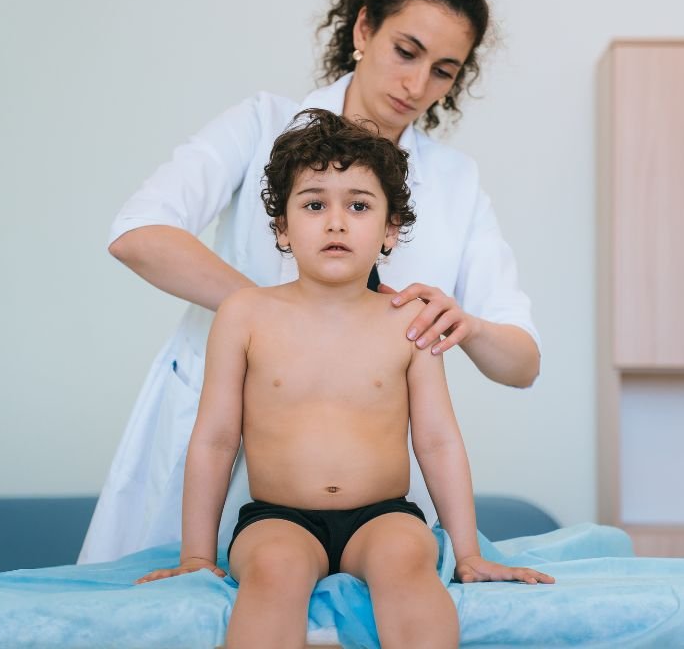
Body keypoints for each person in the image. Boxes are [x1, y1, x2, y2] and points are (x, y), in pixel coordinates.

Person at [79, 0, 541, 565]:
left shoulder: (456, 184)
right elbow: (138, 235)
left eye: (443, 71)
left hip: (372, 506)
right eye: (405, 50)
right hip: (218, 456)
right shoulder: (263, 125)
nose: (417, 85)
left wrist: (470, 327)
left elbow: (521, 363)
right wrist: (277, 316)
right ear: (362, 31)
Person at [135, 109, 553, 649]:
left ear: (389, 231)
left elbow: (438, 439)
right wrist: (195, 555)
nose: (336, 222)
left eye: (358, 206)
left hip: (384, 516)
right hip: (276, 518)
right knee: (275, 570)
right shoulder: (245, 314)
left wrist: (468, 554)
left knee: (407, 560)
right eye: (314, 205)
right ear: (283, 229)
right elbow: (215, 440)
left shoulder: (409, 319)